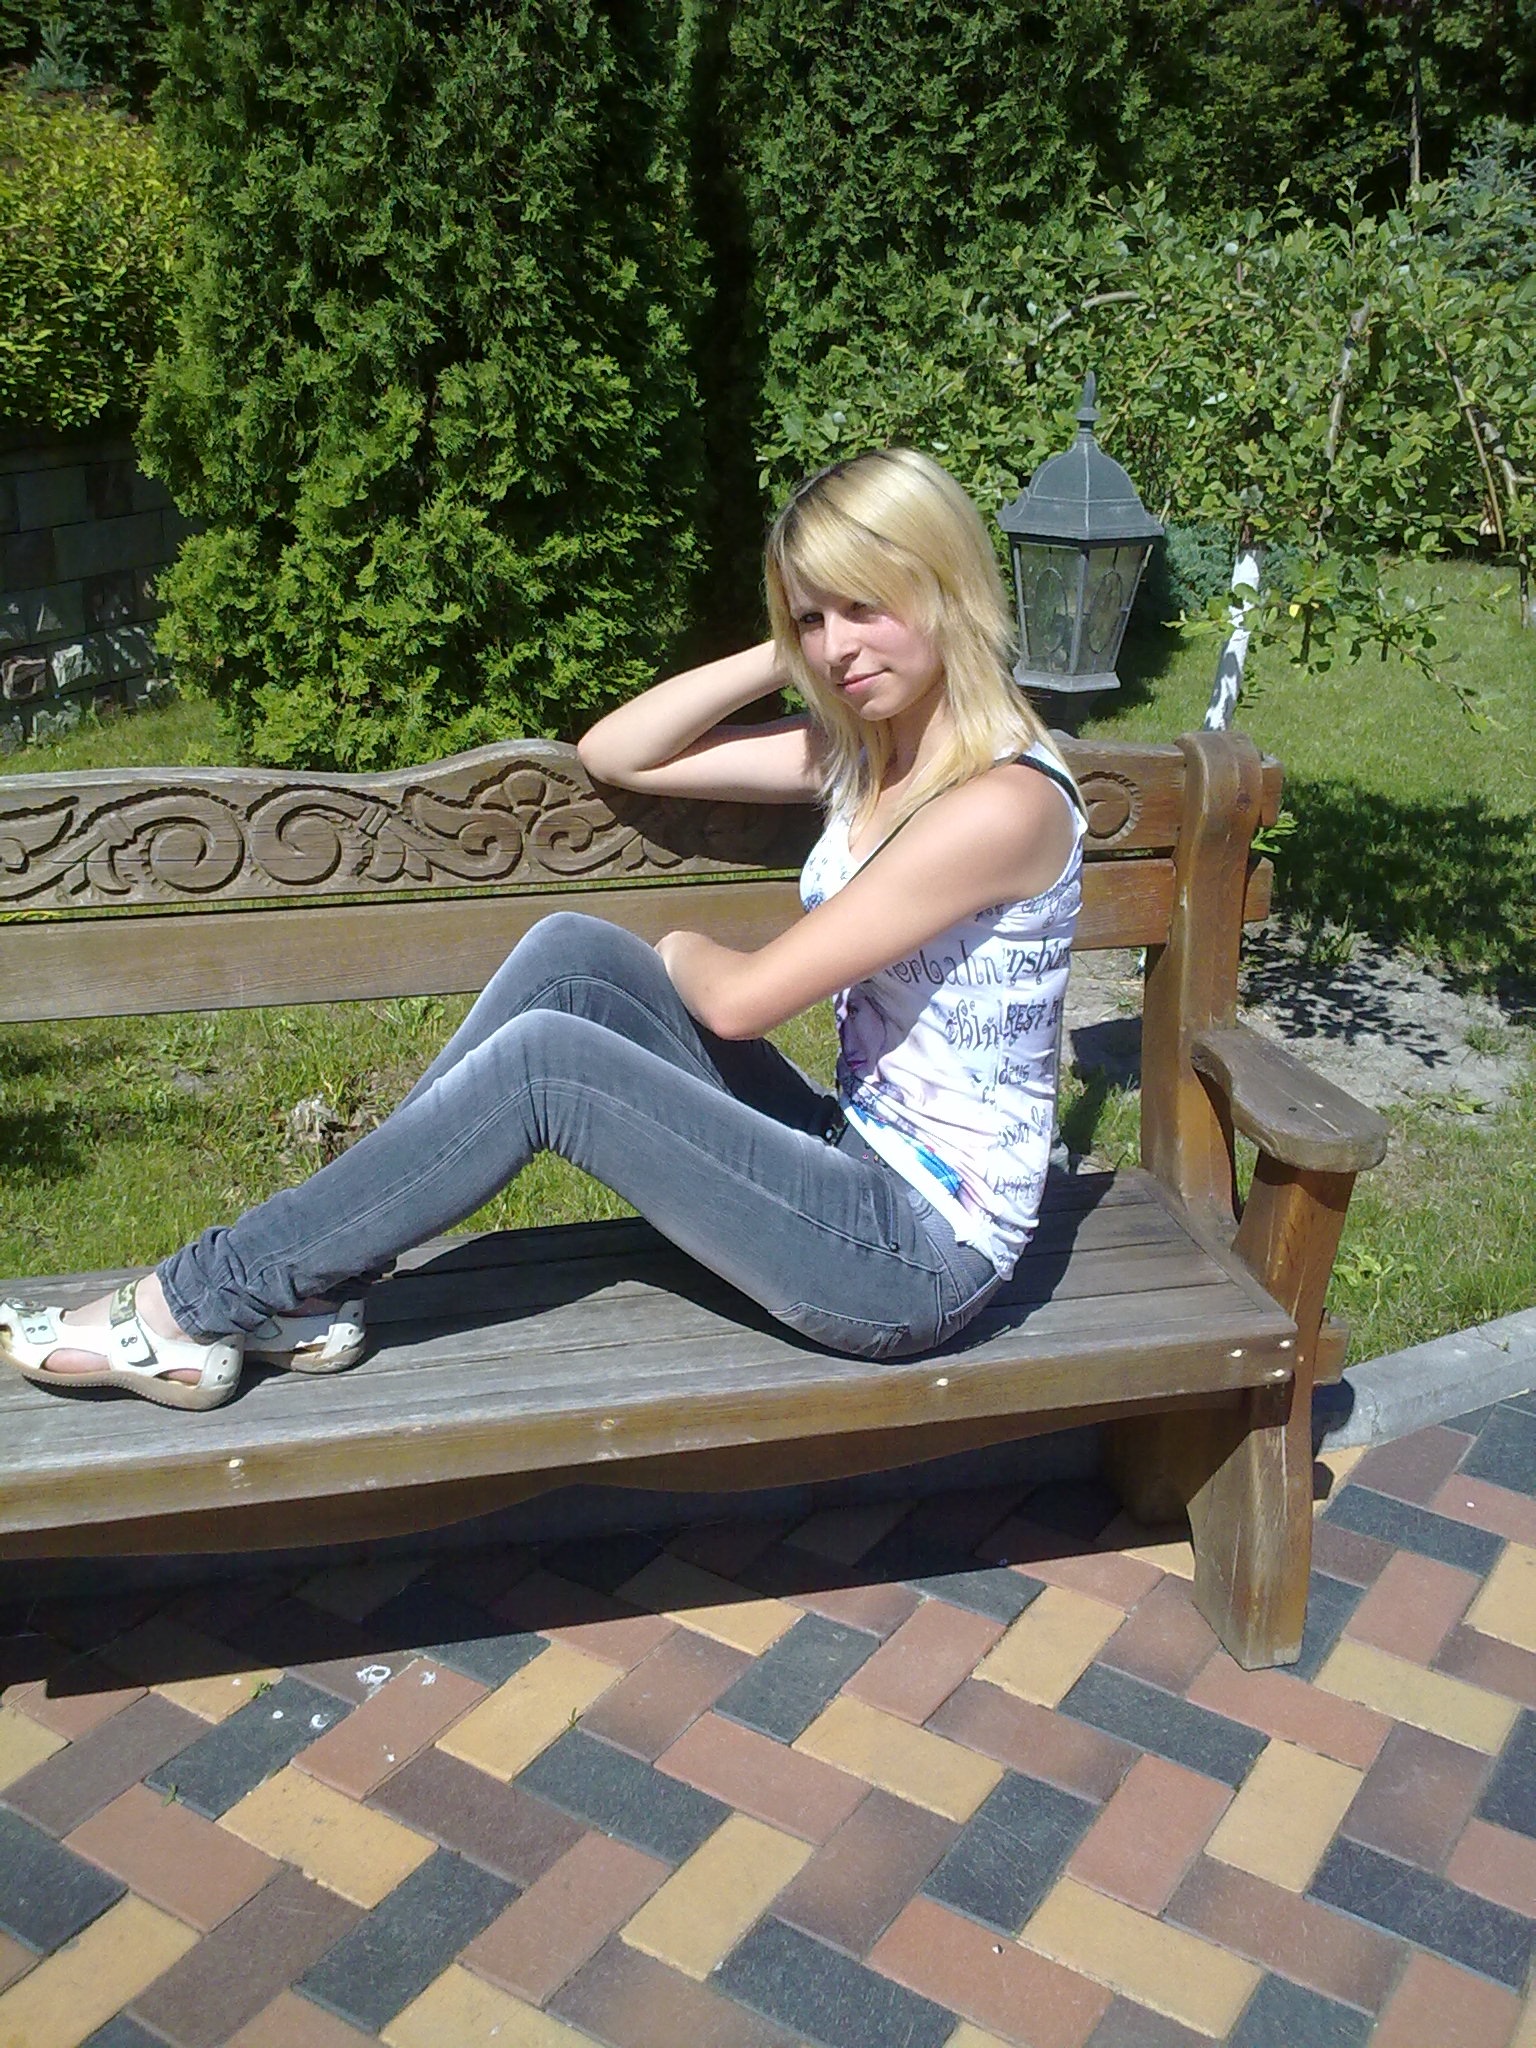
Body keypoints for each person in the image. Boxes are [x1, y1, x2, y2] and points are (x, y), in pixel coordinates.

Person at [1, 448, 1085, 1411]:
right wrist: (789, 650)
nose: (838, 647)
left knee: (550, 1069)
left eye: (864, 607)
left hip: (916, 1257)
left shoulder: (1000, 805)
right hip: (853, 1154)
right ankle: (308, 1279)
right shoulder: (866, 751)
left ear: (945, 585)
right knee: (575, 955)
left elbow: (743, 1002)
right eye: (812, 617)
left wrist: (680, 950)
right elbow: (620, 751)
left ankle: (200, 1299)